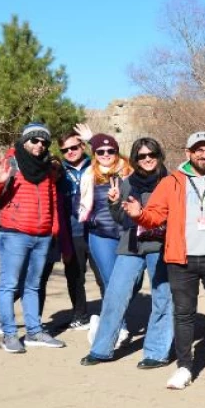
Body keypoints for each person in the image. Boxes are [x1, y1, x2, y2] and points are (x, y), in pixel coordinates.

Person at [121, 131, 205, 391]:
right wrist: (139, 215)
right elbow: (155, 215)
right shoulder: (173, 182)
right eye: (198, 149)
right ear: (188, 152)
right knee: (183, 316)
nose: (203, 154)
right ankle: (184, 368)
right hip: (181, 260)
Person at [81, 138, 174, 369]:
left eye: (151, 154)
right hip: (131, 245)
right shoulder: (128, 182)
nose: (147, 159)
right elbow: (121, 220)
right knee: (115, 294)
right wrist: (114, 204)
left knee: (162, 298)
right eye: (142, 156)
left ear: (159, 155)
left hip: (161, 246)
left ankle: (156, 352)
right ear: (135, 159)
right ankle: (101, 349)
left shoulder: (171, 182)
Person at [0, 122, 66, 353]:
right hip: (13, 234)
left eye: (44, 142)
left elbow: (52, 202)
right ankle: (9, 334)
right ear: (25, 140)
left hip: (41, 236)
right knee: (9, 285)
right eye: (35, 140)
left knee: (33, 286)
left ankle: (35, 332)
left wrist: (52, 230)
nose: (39, 145)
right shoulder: (9, 163)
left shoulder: (47, 169)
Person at [78, 133, 134, 346]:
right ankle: (119, 326)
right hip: (100, 235)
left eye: (111, 151)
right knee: (111, 282)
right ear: (94, 154)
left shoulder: (130, 173)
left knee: (132, 282)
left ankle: (103, 320)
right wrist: (90, 218)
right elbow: (80, 202)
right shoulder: (89, 175)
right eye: (100, 152)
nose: (106, 155)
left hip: (126, 234)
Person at [57, 125, 105, 330]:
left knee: (103, 274)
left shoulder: (95, 164)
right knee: (74, 275)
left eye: (74, 147)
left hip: (97, 230)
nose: (70, 152)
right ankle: (80, 315)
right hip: (72, 232)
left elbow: (113, 157)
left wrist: (94, 138)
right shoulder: (58, 171)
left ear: (82, 146)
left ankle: (110, 316)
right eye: (65, 150)